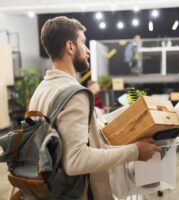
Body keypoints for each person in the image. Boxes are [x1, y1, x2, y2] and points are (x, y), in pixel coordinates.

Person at [28, 16, 160, 200]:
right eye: (83, 42)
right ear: (70, 46)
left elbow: (59, 144)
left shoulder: (41, 90)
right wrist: (135, 151)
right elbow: (75, 160)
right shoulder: (75, 94)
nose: (87, 49)